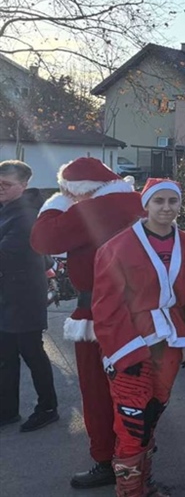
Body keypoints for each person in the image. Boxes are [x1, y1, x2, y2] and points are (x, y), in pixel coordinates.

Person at [30, 157, 144, 490]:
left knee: (97, 390)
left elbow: (43, 239)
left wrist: (55, 204)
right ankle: (137, 459)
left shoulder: (90, 208)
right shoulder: (136, 201)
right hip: (141, 311)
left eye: (69, 190)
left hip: (97, 310)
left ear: (80, 190)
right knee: (137, 391)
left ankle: (107, 460)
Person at [92, 178, 185, 496]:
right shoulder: (117, 246)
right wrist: (126, 353)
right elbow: (107, 307)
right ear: (146, 204)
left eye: (172, 201)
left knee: (151, 416)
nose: (166, 208)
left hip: (170, 342)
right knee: (133, 422)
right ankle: (130, 491)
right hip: (132, 344)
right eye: (159, 201)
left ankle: (144, 484)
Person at [0, 160, 58, 432]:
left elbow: (5, 256)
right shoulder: (8, 209)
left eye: (6, 184)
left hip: (24, 297)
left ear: (23, 186)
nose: (0, 188)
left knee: (32, 353)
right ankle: (8, 411)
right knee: (6, 355)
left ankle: (48, 408)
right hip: (8, 296)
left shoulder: (24, 215)